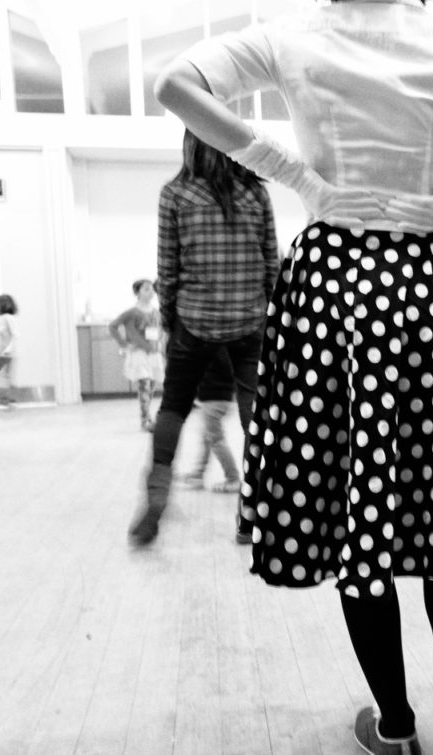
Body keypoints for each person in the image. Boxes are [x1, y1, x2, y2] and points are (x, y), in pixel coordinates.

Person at [152, 2, 433, 754]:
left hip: (332, 272)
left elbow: (174, 84)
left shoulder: (292, 36)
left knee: (352, 501)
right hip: (422, 266)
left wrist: (296, 175)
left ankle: (394, 724)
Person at [127, 129, 278, 546]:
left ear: (190, 145)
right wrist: (267, 314)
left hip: (193, 323)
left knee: (173, 409)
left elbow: (168, 270)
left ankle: (155, 500)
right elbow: (272, 263)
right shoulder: (255, 194)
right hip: (250, 323)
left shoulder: (175, 194)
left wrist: (171, 322)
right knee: (256, 416)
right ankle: (257, 514)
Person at [179, 347, 241, 493]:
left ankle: (233, 479)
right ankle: (198, 474)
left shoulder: (216, 347)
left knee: (216, 440)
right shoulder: (215, 346)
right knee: (206, 438)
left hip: (216, 398)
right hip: (213, 397)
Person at [109, 279, 165, 431]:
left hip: (153, 353)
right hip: (139, 353)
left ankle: (147, 417)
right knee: (144, 385)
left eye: (151, 289)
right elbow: (113, 326)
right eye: (146, 289)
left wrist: (160, 345)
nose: (150, 292)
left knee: (151, 386)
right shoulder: (131, 312)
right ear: (137, 293)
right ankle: (145, 420)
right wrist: (124, 344)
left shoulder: (156, 312)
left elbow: (158, 331)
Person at [0, 294, 17, 406]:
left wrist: (9, 349)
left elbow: (15, 334)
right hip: (1, 353)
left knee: (5, 375)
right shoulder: (2, 319)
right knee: (5, 375)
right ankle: (5, 398)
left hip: (5, 353)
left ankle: (4, 398)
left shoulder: (8, 318)